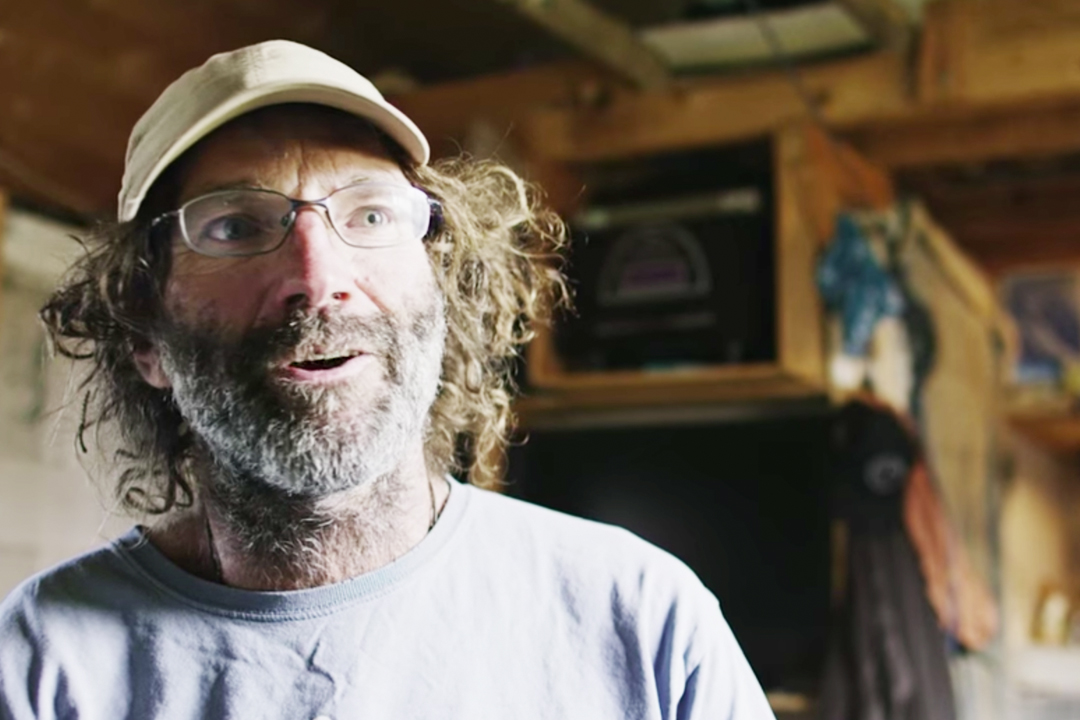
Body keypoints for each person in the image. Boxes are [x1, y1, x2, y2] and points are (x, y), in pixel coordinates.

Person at [0, 40, 774, 719]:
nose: (317, 278)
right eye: (234, 226)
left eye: (370, 216)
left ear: (441, 289)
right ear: (145, 337)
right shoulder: (44, 660)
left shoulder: (640, 620)